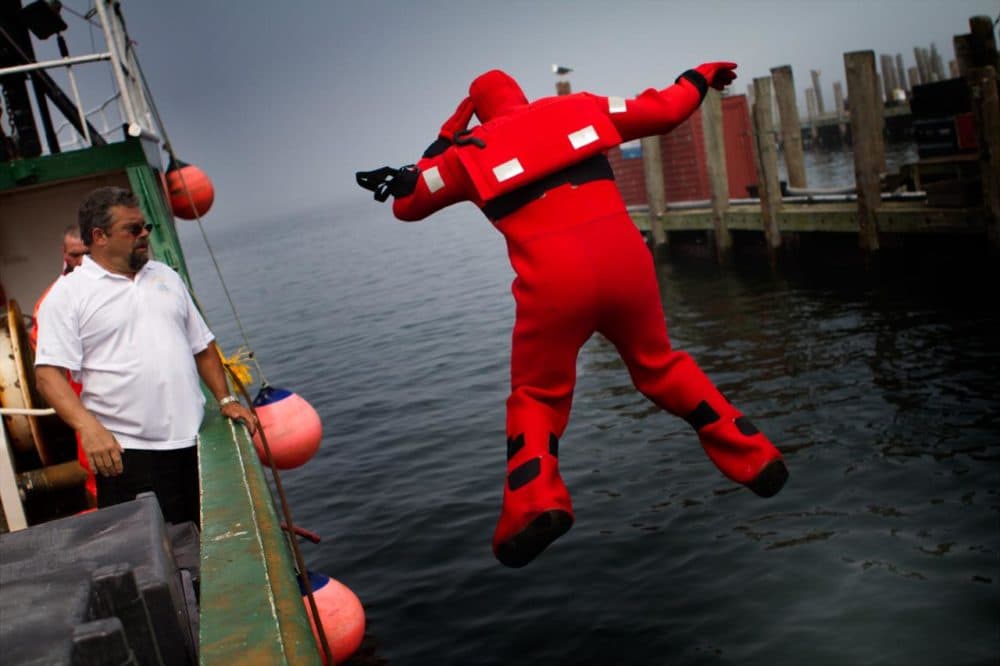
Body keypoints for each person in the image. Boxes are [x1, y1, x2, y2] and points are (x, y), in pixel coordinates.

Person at [356, 62, 789, 568]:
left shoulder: (462, 156)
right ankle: (753, 452)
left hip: (554, 287)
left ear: (479, 110)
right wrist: (700, 74)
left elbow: (406, 204)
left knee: (538, 395)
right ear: (521, 94)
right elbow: (666, 110)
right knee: (660, 365)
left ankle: (534, 500)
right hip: (628, 265)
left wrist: (448, 135)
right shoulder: (579, 107)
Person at [34, 186, 256, 525]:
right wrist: (88, 428)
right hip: (127, 455)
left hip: (195, 443)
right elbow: (48, 375)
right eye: (132, 229)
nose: (144, 235)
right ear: (99, 236)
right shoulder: (67, 295)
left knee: (209, 539)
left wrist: (225, 399)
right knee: (155, 560)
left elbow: (203, 346)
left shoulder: (165, 275)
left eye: (145, 227)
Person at [29, 224, 93, 504]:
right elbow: (49, 374)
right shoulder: (50, 304)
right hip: (89, 408)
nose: (81, 263)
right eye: (75, 255)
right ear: (64, 254)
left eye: (86, 255)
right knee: (98, 478)